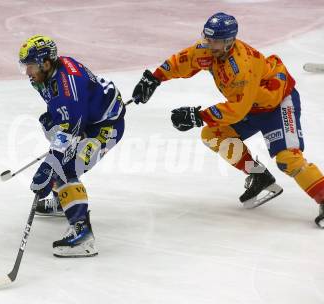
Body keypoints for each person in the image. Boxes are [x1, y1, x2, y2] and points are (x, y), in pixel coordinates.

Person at [131, 12, 324, 227]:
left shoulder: (241, 67)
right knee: (213, 135)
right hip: (251, 105)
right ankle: (258, 175)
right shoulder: (210, 49)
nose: (208, 44)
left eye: (214, 41)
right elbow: (183, 60)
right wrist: (154, 78)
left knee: (288, 159)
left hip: (277, 104)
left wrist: (198, 115)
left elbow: (237, 110)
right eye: (207, 37)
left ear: (229, 42)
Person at [19, 35, 126, 257]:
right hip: (87, 121)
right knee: (51, 131)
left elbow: (70, 131)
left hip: (105, 128)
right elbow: (67, 121)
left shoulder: (68, 87)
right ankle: (62, 201)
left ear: (45, 63)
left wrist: (50, 166)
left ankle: (83, 235)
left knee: (63, 171)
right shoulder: (47, 75)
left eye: (30, 66)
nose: (28, 72)